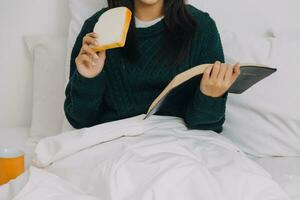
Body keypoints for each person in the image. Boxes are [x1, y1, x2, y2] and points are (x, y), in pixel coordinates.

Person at [64, 0, 240, 133]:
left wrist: (210, 96)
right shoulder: (97, 28)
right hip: (116, 144)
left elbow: (209, 129)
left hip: (181, 144)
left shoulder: (201, 27)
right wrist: (88, 78)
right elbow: (81, 122)